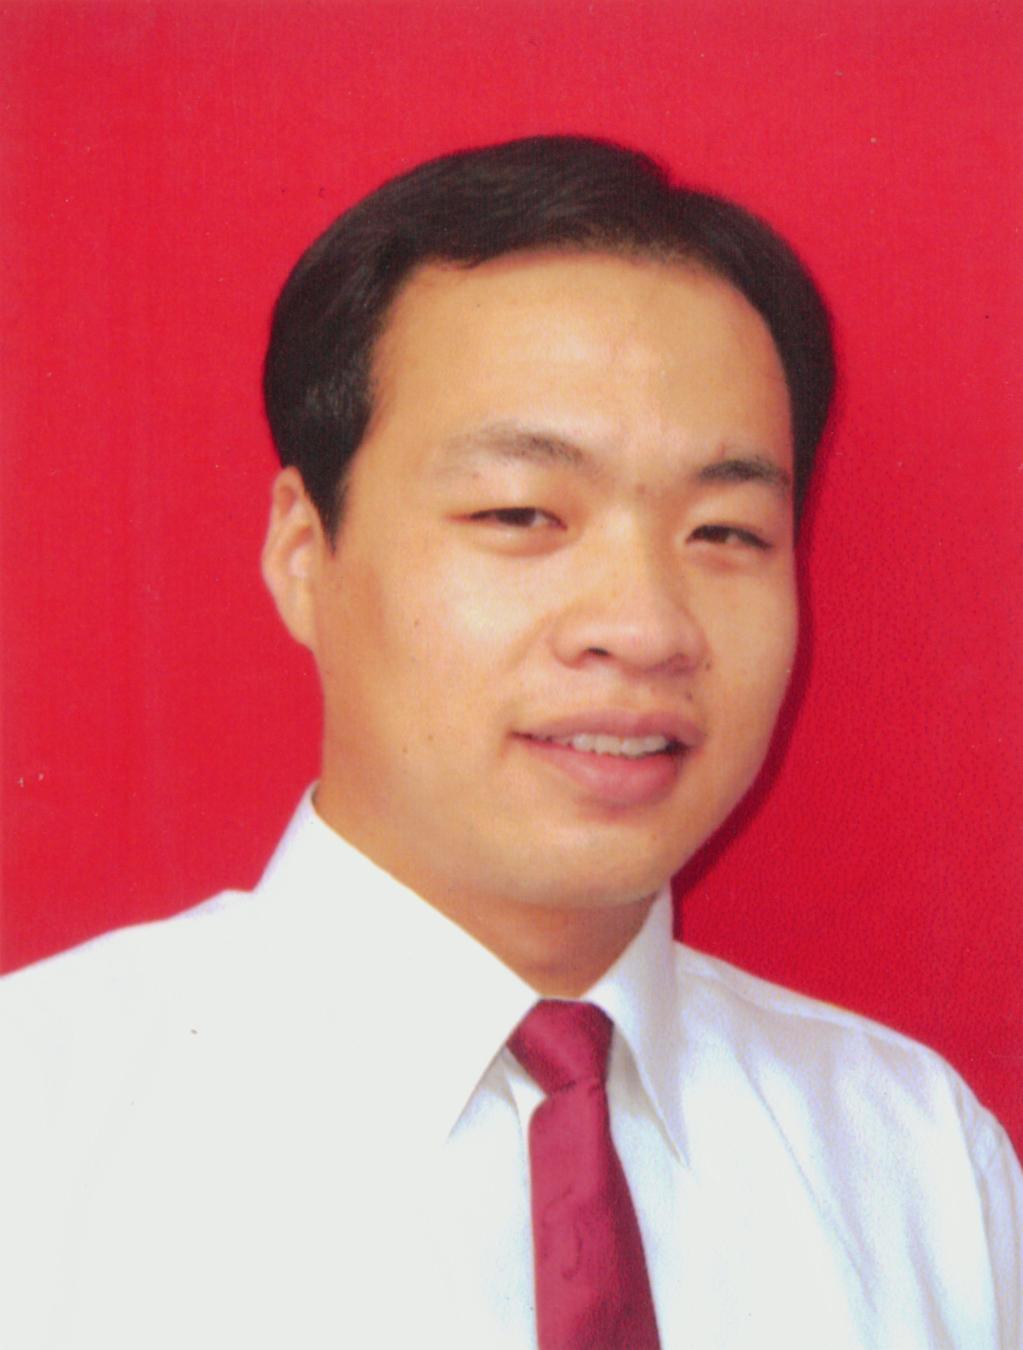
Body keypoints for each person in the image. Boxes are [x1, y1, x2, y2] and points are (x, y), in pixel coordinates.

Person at [1, 136, 1019, 1348]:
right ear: (303, 553)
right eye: (523, 512)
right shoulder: (39, 1132)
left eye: (727, 532)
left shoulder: (918, 1164)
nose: (645, 627)